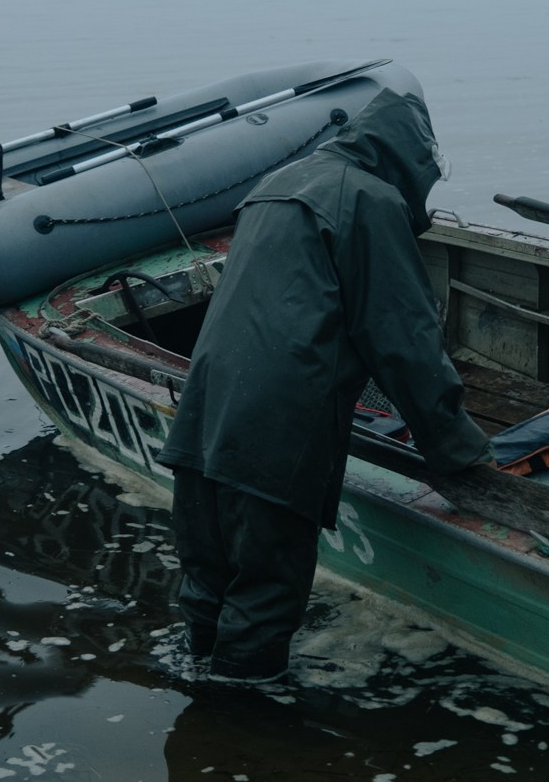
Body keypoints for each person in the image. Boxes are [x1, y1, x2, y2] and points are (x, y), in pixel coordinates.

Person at [156, 88, 491, 680]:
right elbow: (403, 340)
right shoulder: (370, 200)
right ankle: (246, 731)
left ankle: (199, 710)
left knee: (207, 579)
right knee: (265, 590)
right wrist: (456, 449)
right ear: (410, 158)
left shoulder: (279, 184)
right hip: (276, 431)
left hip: (203, 413)